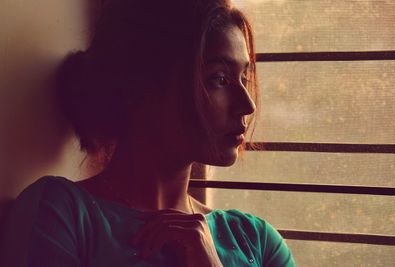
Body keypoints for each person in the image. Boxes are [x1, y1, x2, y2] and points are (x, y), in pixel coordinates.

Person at [0, 0, 296, 266]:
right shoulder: (60, 215)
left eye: (244, 77)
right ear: (142, 85)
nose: (247, 104)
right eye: (219, 79)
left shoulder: (256, 242)